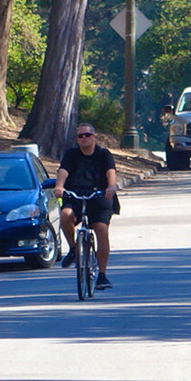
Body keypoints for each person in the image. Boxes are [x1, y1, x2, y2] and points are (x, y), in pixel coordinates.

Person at [53, 124, 119, 291]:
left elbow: (110, 172)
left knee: (101, 229)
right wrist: (59, 186)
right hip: (75, 194)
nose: (84, 138)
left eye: (87, 135)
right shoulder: (71, 155)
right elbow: (63, 171)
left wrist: (111, 186)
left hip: (99, 196)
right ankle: (74, 249)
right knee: (65, 216)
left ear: (94, 137)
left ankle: (102, 275)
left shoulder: (103, 154)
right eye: (80, 136)